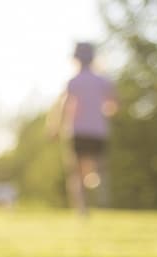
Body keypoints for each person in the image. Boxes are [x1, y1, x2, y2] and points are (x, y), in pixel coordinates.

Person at [48, 42, 118, 216]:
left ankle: (82, 210)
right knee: (98, 168)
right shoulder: (103, 81)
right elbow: (113, 105)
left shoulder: (74, 81)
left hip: (77, 131)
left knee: (76, 173)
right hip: (98, 131)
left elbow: (64, 106)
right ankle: (95, 184)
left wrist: (55, 127)